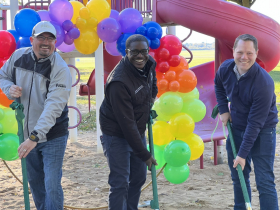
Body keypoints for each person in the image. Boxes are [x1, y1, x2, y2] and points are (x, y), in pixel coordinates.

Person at [0, 21, 72, 210]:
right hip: (26, 131)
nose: (46, 42)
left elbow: (53, 107)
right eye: (41, 38)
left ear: (55, 43)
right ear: (32, 40)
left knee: (52, 184)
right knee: (35, 182)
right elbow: (3, 75)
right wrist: (9, 88)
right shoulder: (18, 56)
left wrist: (34, 137)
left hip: (53, 134)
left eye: (50, 38)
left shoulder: (61, 69)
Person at [214, 34, 279, 209]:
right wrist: (223, 109)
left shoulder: (263, 83)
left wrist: (242, 155)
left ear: (256, 53)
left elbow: (255, 123)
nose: (244, 57)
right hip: (237, 127)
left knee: (264, 180)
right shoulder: (225, 68)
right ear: (233, 51)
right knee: (239, 176)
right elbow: (218, 85)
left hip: (263, 131)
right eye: (240, 52)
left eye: (249, 53)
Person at [99, 34, 158, 210]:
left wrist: (150, 102)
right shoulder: (118, 82)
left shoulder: (149, 64)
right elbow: (126, 124)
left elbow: (152, 85)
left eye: (144, 51)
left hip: (136, 128)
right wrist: (145, 154)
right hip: (116, 132)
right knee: (120, 181)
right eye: (135, 52)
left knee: (139, 176)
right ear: (126, 52)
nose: (140, 56)